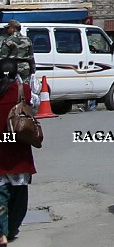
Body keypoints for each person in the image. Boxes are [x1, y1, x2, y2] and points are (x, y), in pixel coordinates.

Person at [0, 61, 34, 245]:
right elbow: (33, 105)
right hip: (18, 149)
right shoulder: (23, 90)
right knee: (19, 195)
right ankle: (11, 230)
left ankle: (1, 233)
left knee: (1, 194)